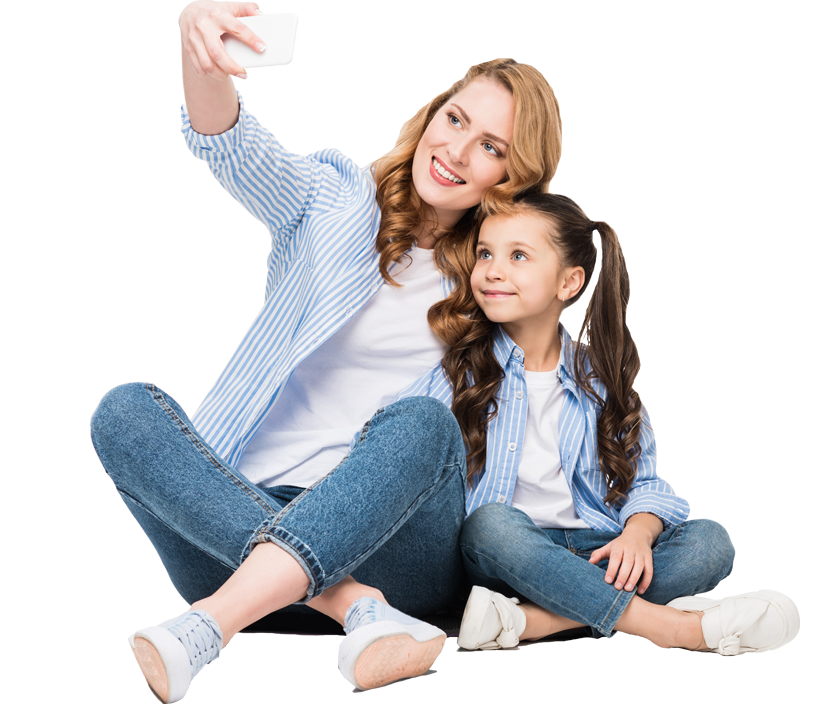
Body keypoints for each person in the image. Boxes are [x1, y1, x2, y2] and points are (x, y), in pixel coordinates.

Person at [89, 1, 562, 700]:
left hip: (391, 545)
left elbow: (558, 403)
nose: (459, 150)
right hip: (233, 531)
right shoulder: (333, 201)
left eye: (492, 146)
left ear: (512, 175)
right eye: (456, 119)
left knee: (422, 425)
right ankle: (353, 609)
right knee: (123, 411)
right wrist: (201, 60)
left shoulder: (505, 283)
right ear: (432, 116)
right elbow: (230, 144)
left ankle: (209, 626)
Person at [398, 191, 799, 654]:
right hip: (503, 555)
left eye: (518, 256)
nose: (492, 269)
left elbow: (644, 483)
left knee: (710, 544)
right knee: (490, 524)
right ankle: (671, 627)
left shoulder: (600, 380)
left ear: (568, 283)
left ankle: (532, 621)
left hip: (596, 546)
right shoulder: (459, 373)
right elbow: (402, 452)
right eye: (485, 253)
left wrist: (636, 533)